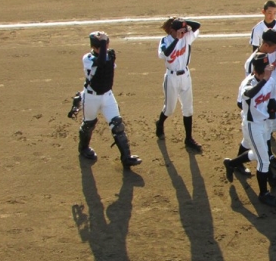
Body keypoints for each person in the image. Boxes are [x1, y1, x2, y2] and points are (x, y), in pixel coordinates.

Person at [223, 54, 276, 207]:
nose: (268, 71)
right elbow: (249, 94)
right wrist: (264, 80)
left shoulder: (269, 80)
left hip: (265, 123)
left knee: (259, 154)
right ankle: (263, 194)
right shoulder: (247, 83)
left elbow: (270, 99)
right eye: (264, 70)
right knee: (263, 160)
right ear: (257, 71)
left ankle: (231, 163)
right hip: (252, 126)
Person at [78, 31, 142, 168]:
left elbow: (106, 66)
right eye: (101, 46)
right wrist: (102, 42)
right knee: (89, 124)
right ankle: (83, 148)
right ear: (94, 47)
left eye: (106, 45)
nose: (105, 48)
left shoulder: (109, 54)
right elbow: (101, 63)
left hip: (107, 96)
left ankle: (126, 158)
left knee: (117, 125)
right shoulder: (88, 58)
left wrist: (104, 45)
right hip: (91, 97)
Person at [242, 29, 276, 169]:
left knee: (263, 132)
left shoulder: (273, 51)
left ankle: (236, 163)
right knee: (262, 132)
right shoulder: (252, 62)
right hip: (259, 103)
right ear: (266, 45)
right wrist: (263, 104)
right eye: (275, 45)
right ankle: (268, 157)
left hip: (270, 96)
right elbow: (250, 87)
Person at [155, 17, 203, 152]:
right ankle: (160, 123)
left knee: (188, 108)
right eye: (180, 30)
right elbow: (165, 54)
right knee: (169, 109)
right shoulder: (165, 41)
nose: (184, 32)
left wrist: (184, 22)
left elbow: (197, 25)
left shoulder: (186, 37)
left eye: (184, 30)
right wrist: (177, 39)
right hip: (171, 78)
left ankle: (188, 138)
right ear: (172, 30)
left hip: (185, 76)